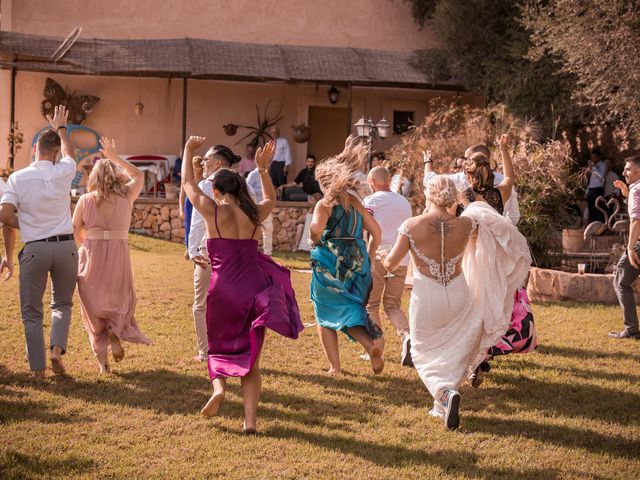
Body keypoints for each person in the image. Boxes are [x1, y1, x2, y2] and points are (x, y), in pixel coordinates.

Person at [383, 175, 530, 429]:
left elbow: (392, 264)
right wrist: (461, 199)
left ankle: (444, 393)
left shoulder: (411, 225)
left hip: (428, 296)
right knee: (454, 345)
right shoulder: (467, 224)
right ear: (452, 196)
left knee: (421, 349)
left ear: (428, 195)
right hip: (459, 292)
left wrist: (383, 256)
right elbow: (486, 239)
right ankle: (441, 405)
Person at [181, 136, 303, 433]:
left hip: (222, 290)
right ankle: (250, 423)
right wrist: (263, 170)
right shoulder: (253, 214)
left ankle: (219, 389)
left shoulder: (214, 211)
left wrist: (187, 150)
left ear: (218, 190)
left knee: (217, 347)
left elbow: (187, 186)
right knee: (252, 361)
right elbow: (271, 200)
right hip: (253, 291)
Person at [0, 106, 78, 377]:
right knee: (62, 304)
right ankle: (56, 350)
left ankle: (38, 371)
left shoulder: (17, 178)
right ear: (55, 153)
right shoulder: (64, 170)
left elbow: (5, 214)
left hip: (35, 249)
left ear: (35, 149)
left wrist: (30, 224)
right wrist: (62, 127)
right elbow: (71, 153)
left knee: (32, 311)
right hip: (66, 247)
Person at [72, 137, 152, 373]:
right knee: (118, 298)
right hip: (119, 252)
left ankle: (103, 363)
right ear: (116, 175)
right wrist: (116, 157)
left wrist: (86, 246)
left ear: (93, 178)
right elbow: (139, 176)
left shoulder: (85, 199)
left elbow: (76, 229)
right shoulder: (126, 196)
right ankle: (114, 331)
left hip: (91, 252)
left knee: (91, 304)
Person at [310, 136, 384, 375]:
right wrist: (369, 257)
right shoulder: (354, 201)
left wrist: (315, 241)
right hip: (358, 260)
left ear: (324, 182)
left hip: (331, 260)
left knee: (324, 312)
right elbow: (377, 232)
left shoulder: (324, 204)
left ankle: (336, 367)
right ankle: (370, 344)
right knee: (351, 308)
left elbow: (314, 231)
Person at [188, 145, 240, 361]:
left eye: (206, 159)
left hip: (210, 250)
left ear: (217, 162)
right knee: (232, 302)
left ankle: (206, 351)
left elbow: (198, 221)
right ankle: (232, 347)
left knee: (201, 304)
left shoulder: (207, 185)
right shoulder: (243, 183)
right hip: (237, 252)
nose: (203, 163)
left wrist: (192, 250)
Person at [363, 166, 413, 366]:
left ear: (372, 181)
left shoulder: (371, 201)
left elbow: (365, 229)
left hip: (378, 256)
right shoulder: (404, 202)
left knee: (371, 305)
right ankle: (407, 337)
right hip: (401, 258)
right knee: (393, 305)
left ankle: (377, 345)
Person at [423, 145, 521, 226]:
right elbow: (513, 217)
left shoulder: (460, 191)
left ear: (468, 175)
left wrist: (428, 161)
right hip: (499, 243)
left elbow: (430, 180)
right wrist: (501, 233)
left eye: (467, 159)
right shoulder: (502, 187)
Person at [611, 155, 640, 340]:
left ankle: (631, 329)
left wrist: (630, 248)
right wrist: (625, 191)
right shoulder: (635, 190)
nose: (623, 172)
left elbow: (637, 219)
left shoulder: (637, 190)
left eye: (627, 169)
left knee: (621, 281)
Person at [179, 155, 203, 258]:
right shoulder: (187, 179)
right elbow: (182, 195)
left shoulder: (204, 179)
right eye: (196, 166)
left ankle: (200, 247)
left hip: (200, 204)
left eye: (199, 166)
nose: (198, 168)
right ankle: (188, 248)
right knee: (189, 225)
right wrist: (181, 210)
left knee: (199, 225)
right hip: (189, 203)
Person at [247, 165, 274, 255]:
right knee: (252, 231)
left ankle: (268, 254)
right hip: (254, 207)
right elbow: (247, 190)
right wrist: (261, 191)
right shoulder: (253, 174)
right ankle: (251, 253)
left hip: (266, 207)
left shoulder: (267, 174)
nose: (268, 164)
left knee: (268, 231)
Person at [586, 149, 607, 224]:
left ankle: (600, 227)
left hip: (598, 189)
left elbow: (602, 177)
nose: (593, 159)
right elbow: (590, 179)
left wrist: (594, 168)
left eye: (594, 157)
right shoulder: (593, 166)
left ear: (599, 157)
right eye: (592, 157)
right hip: (591, 189)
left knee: (598, 208)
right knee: (591, 209)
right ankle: (593, 226)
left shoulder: (602, 165)